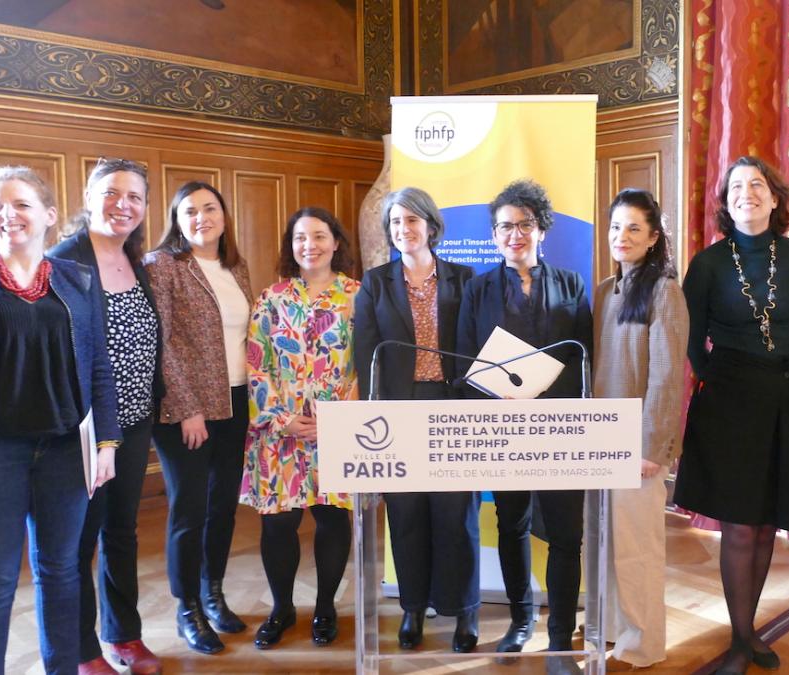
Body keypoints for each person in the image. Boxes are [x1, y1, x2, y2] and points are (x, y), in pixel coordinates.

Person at [0, 166, 121, 674]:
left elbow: (99, 364)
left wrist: (107, 442)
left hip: (65, 449)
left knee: (61, 572)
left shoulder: (77, 279)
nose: (7, 215)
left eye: (20, 204)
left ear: (49, 216)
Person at [674, 156, 789, 675]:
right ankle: (740, 638)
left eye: (757, 184)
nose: (747, 193)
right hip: (730, 398)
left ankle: (749, 627)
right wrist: (722, 376)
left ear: (775, 198)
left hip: (784, 396)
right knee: (738, 526)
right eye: (736, 186)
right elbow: (691, 339)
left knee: (764, 526)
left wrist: (772, 373)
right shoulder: (710, 263)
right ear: (726, 201)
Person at [456, 179, 593, 672]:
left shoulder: (572, 284)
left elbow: (583, 358)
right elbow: (467, 357)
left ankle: (559, 638)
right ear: (494, 236)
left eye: (525, 225)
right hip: (502, 424)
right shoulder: (477, 289)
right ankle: (520, 622)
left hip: (558, 427)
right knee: (511, 523)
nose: (515, 234)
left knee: (565, 534)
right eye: (505, 226)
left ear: (542, 230)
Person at [50, 158, 164, 675]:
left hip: (135, 420)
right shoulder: (62, 261)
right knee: (78, 538)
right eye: (113, 193)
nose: (124, 205)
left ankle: (125, 634)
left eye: (135, 197)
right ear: (89, 197)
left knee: (121, 530)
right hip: (83, 428)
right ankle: (81, 649)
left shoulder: (135, 260)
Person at [353, 187, 480, 652]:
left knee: (455, 514)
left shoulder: (465, 279)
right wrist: (373, 417)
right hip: (399, 411)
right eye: (394, 223)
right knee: (406, 514)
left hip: (454, 406)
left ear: (430, 225)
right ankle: (413, 607)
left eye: (411, 220)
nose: (403, 230)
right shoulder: (376, 283)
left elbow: (478, 348)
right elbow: (366, 354)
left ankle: (464, 611)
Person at [241, 207, 357, 649]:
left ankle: (326, 606)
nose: (309, 245)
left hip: (336, 429)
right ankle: (282, 607)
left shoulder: (356, 296)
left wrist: (335, 419)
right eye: (300, 238)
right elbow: (257, 364)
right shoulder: (270, 299)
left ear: (336, 242)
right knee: (278, 525)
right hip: (280, 431)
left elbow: (367, 364)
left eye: (319, 236)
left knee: (331, 520)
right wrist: (283, 418)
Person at [144, 181, 252, 655]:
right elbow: (160, 342)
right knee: (189, 511)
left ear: (224, 216)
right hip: (184, 409)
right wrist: (186, 407)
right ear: (177, 218)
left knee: (223, 506)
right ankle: (187, 606)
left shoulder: (235, 267)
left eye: (210, 208)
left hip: (235, 402)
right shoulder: (162, 265)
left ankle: (213, 592)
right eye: (190, 211)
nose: (201, 217)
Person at [593, 188, 688, 668]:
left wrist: (654, 447)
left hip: (638, 444)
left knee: (637, 549)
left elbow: (668, 375)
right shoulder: (605, 292)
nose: (622, 236)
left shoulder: (664, 290)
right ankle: (612, 627)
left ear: (653, 238)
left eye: (633, 228)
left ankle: (644, 642)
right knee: (607, 544)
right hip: (597, 439)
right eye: (615, 226)